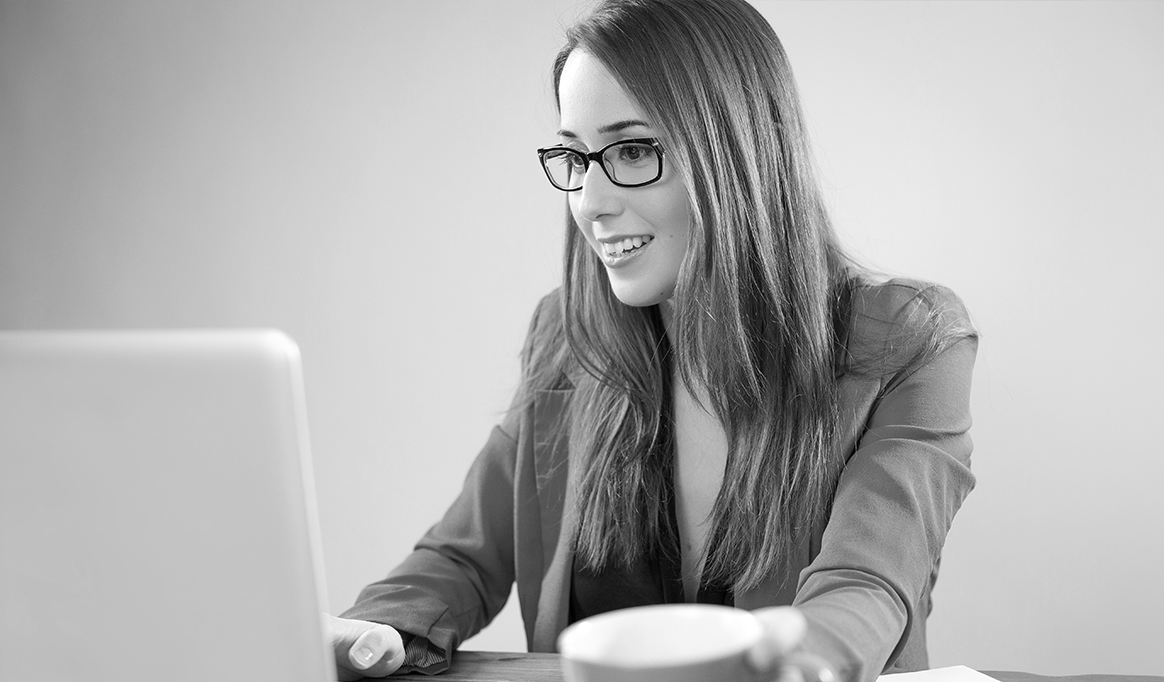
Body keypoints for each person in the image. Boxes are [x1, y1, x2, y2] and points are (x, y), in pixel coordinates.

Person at [324, 1, 977, 680]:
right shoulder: (565, 338)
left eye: (633, 151)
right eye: (575, 156)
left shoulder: (909, 341)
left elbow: (867, 582)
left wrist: (801, 659)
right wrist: (376, 630)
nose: (590, 201)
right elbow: (462, 556)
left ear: (736, 153)